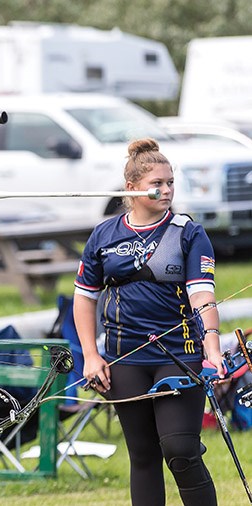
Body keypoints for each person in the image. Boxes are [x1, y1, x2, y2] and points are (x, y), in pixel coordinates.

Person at [73, 138, 223, 506]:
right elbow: (84, 298)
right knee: (142, 456)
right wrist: (91, 356)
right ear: (131, 188)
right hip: (126, 359)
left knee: (181, 449)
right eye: (158, 183)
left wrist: (214, 348)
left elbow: (202, 295)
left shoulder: (188, 233)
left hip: (179, 354)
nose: (167, 190)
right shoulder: (104, 236)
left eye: (171, 182)